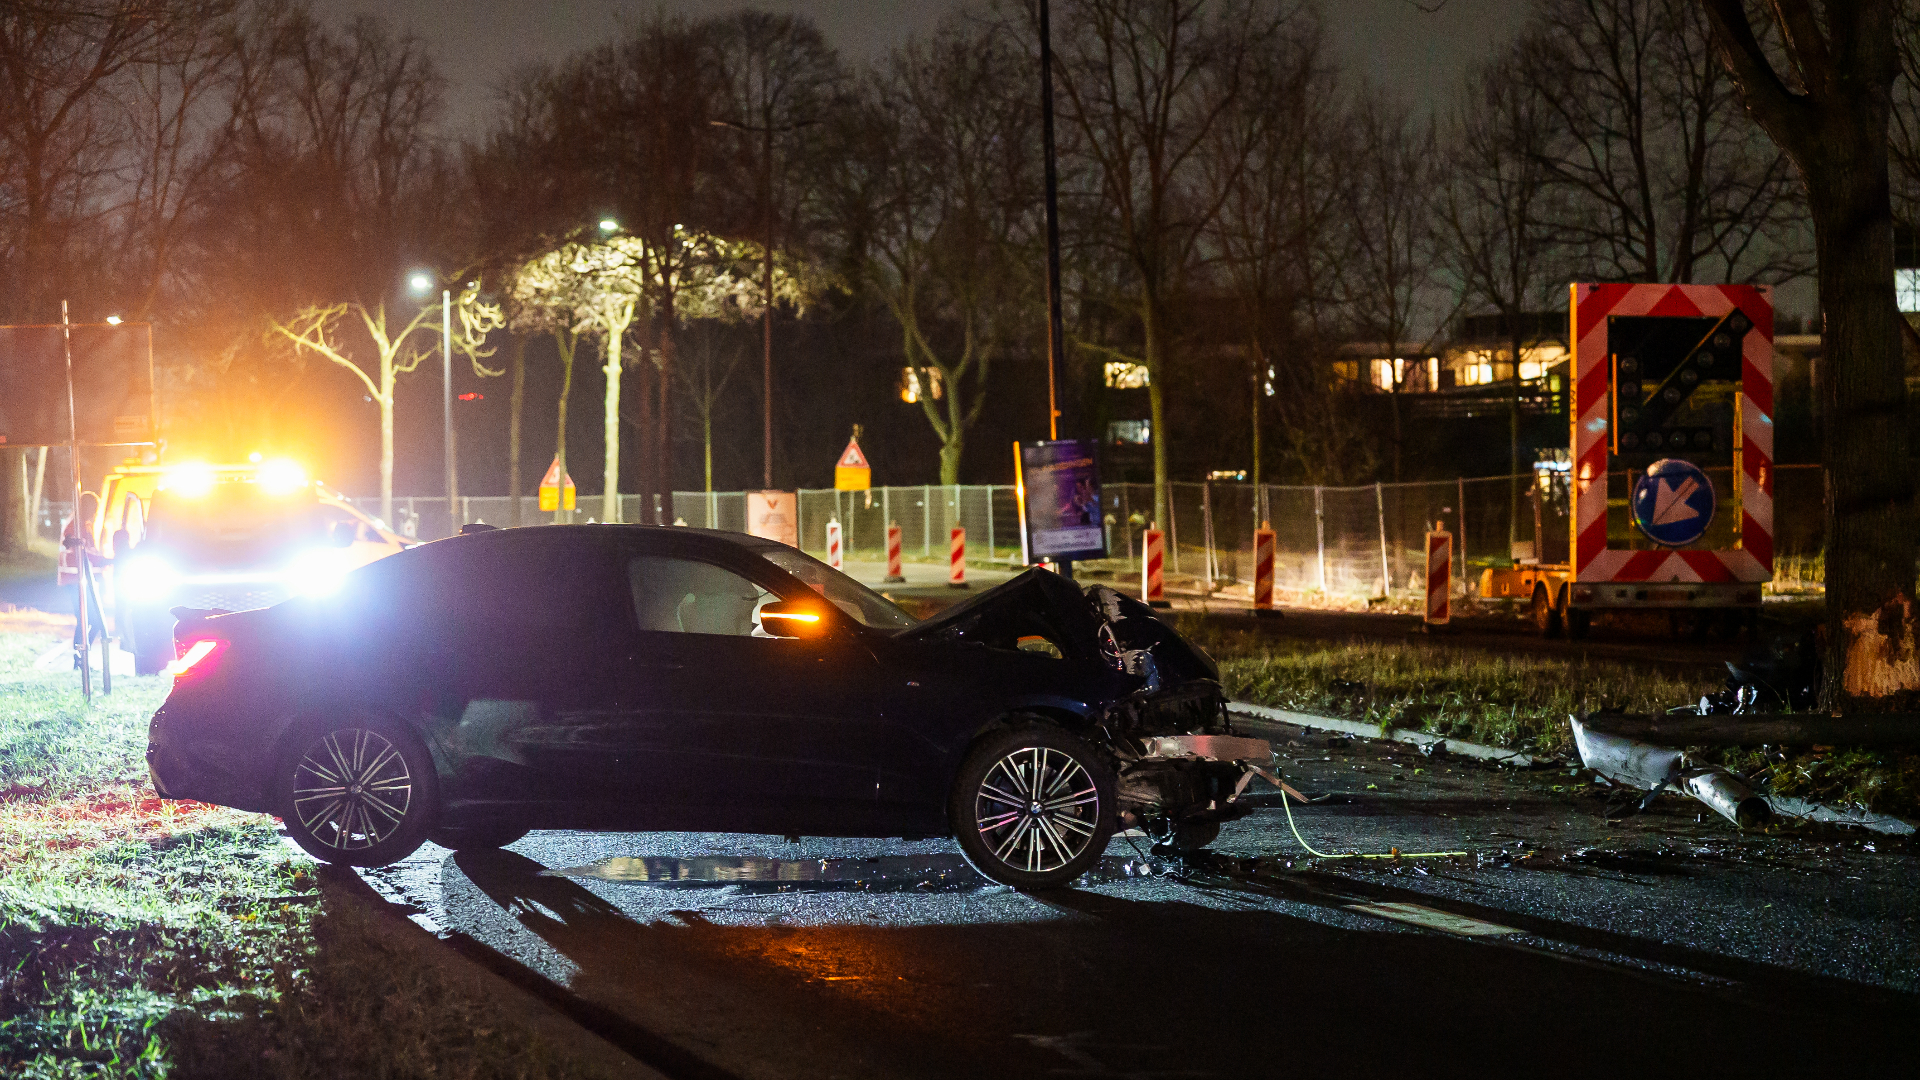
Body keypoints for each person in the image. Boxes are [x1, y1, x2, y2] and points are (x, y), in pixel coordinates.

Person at [59, 492, 107, 667]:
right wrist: (105, 560)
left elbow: (88, 551)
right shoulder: (76, 526)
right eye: (93, 508)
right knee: (88, 620)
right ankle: (80, 659)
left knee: (88, 619)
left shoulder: (81, 524)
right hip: (75, 579)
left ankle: (80, 658)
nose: (94, 512)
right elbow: (82, 551)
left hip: (79, 579)